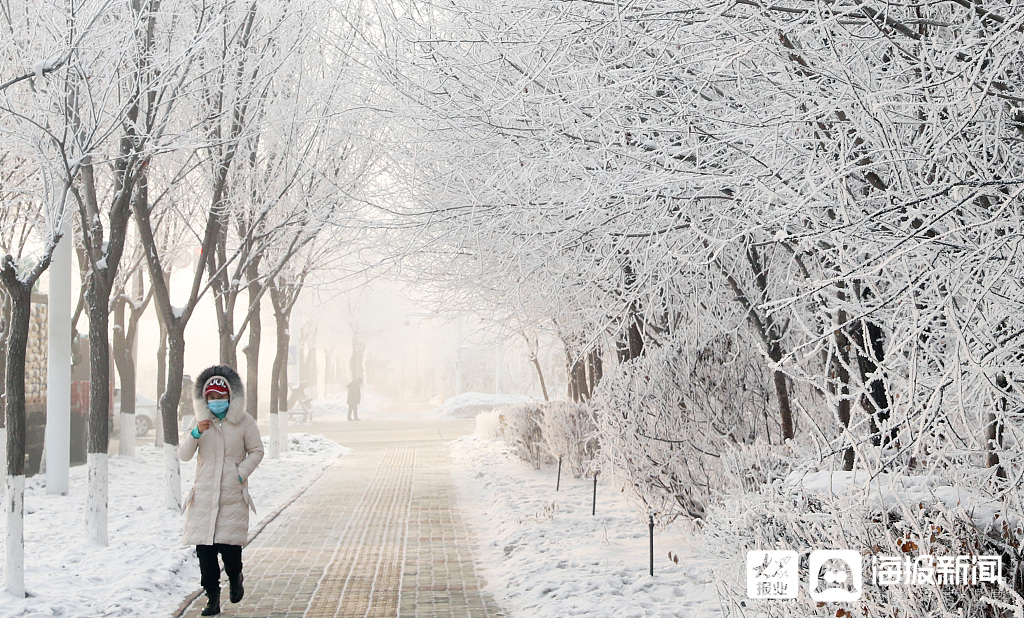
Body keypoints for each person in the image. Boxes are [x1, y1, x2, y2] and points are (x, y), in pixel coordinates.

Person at [180, 365, 264, 616]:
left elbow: (257, 451)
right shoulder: (199, 422)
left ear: (230, 397)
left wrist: (240, 472)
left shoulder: (244, 422)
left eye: (221, 397)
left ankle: (235, 575)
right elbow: (184, 455)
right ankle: (212, 599)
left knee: (230, 551)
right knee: (204, 553)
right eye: (212, 398)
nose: (216, 401)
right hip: (204, 496)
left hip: (231, 496)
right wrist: (195, 434)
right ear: (205, 399)